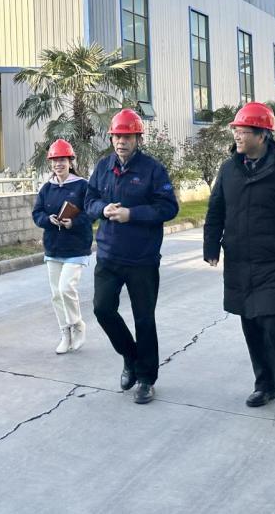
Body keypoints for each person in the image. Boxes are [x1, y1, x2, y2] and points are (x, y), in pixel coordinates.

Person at [203, 102, 275, 417]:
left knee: (274, 322)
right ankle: (264, 384)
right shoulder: (228, 170)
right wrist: (211, 246)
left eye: (243, 131)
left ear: (262, 134)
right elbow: (215, 210)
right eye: (236, 131)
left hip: (274, 262)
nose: (237, 136)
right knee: (250, 323)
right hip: (238, 261)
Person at [85, 108, 179, 404]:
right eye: (117, 136)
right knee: (102, 309)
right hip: (109, 255)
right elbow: (89, 200)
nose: (121, 141)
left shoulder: (153, 170)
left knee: (144, 320)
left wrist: (132, 214)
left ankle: (146, 379)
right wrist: (102, 210)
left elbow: (169, 208)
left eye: (127, 136)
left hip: (142, 259)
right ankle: (130, 356)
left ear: (138, 139)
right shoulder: (103, 167)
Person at [32, 139, 94, 354]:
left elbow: (91, 212)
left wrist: (73, 222)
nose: (58, 164)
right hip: (53, 247)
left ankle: (78, 325)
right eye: (55, 160)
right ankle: (65, 333)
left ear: (70, 161)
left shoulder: (82, 185)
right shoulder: (46, 188)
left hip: (76, 247)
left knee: (66, 288)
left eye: (62, 160)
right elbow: (37, 213)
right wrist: (48, 220)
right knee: (56, 294)